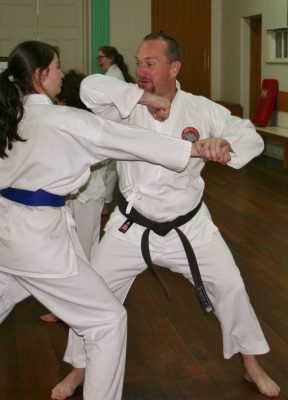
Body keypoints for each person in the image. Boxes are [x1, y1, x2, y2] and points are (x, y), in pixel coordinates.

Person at [0, 40, 205, 400]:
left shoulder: (3, 122)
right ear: (41, 75)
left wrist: (3, 206)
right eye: (56, 67)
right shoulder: (65, 120)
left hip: (1, 240)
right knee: (108, 321)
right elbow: (126, 139)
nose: (61, 72)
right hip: (41, 245)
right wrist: (190, 149)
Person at [54, 32, 281, 399]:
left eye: (150, 63)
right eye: (139, 61)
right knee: (94, 294)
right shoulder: (124, 105)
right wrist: (144, 96)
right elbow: (89, 89)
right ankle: (79, 368)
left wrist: (224, 143)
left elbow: (248, 134)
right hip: (130, 226)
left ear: (174, 68)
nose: (141, 69)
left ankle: (252, 363)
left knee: (232, 287)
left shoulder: (200, 108)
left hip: (188, 226)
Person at [40, 69, 107, 324]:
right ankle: (86, 302)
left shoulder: (82, 121)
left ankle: (75, 307)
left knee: (80, 250)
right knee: (84, 248)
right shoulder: (74, 118)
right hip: (80, 193)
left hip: (87, 193)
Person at [96, 46, 135, 217]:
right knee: (110, 167)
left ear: (110, 58)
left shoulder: (113, 76)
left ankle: (103, 202)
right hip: (115, 126)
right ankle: (104, 201)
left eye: (101, 57)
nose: (99, 61)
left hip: (114, 126)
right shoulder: (114, 74)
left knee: (108, 167)